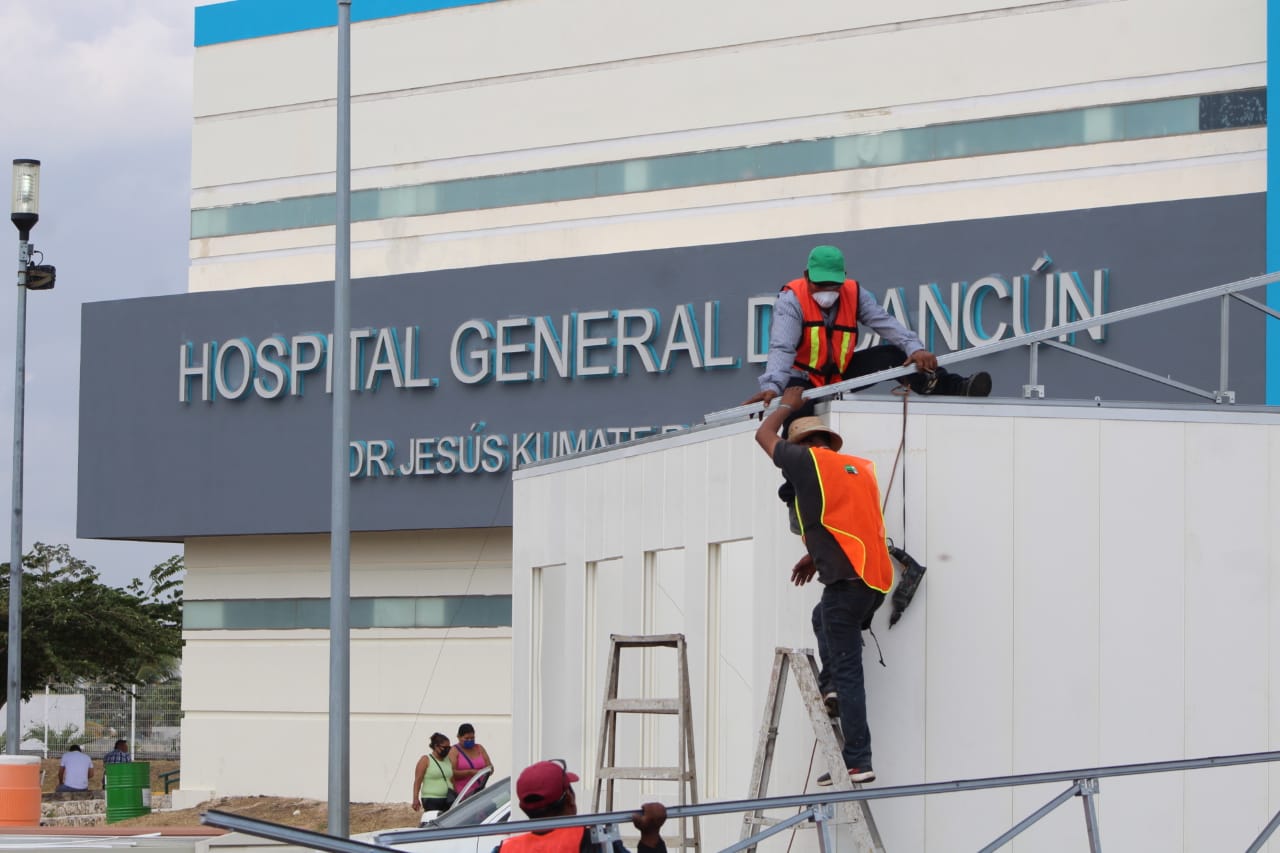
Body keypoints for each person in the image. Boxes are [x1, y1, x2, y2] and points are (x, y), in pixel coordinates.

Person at [755, 385, 892, 786]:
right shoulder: (854, 469)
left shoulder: (805, 461)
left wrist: (787, 405)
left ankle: (858, 760)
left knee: (849, 673)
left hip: (845, 588)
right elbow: (843, 523)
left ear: (801, 445)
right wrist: (814, 557)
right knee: (822, 618)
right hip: (872, 582)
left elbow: (763, 436)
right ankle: (830, 685)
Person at [745, 244, 991, 410]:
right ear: (807, 276)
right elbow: (782, 347)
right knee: (797, 410)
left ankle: (955, 387)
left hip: (840, 373)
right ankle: (801, 466)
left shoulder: (854, 293)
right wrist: (772, 387)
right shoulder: (791, 300)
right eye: (820, 285)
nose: (827, 291)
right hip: (803, 378)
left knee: (893, 355)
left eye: (833, 285)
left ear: (843, 277)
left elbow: (884, 322)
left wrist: (914, 348)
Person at [493, 759, 667, 853]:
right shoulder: (596, 842)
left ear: (523, 808)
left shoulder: (505, 850)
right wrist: (650, 836)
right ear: (570, 799)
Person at [412, 733, 455, 814]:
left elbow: (452, 778)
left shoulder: (448, 760)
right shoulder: (426, 760)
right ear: (436, 746)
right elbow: (418, 780)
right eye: (444, 747)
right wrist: (415, 798)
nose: (447, 750)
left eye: (449, 748)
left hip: (448, 798)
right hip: (431, 798)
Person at [451, 722, 493, 800]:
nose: (470, 740)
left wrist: (485, 771)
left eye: (472, 738)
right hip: (462, 793)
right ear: (459, 737)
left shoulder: (479, 748)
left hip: (480, 790)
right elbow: (451, 773)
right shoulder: (454, 751)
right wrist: (470, 773)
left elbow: (490, 767)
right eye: (466, 738)